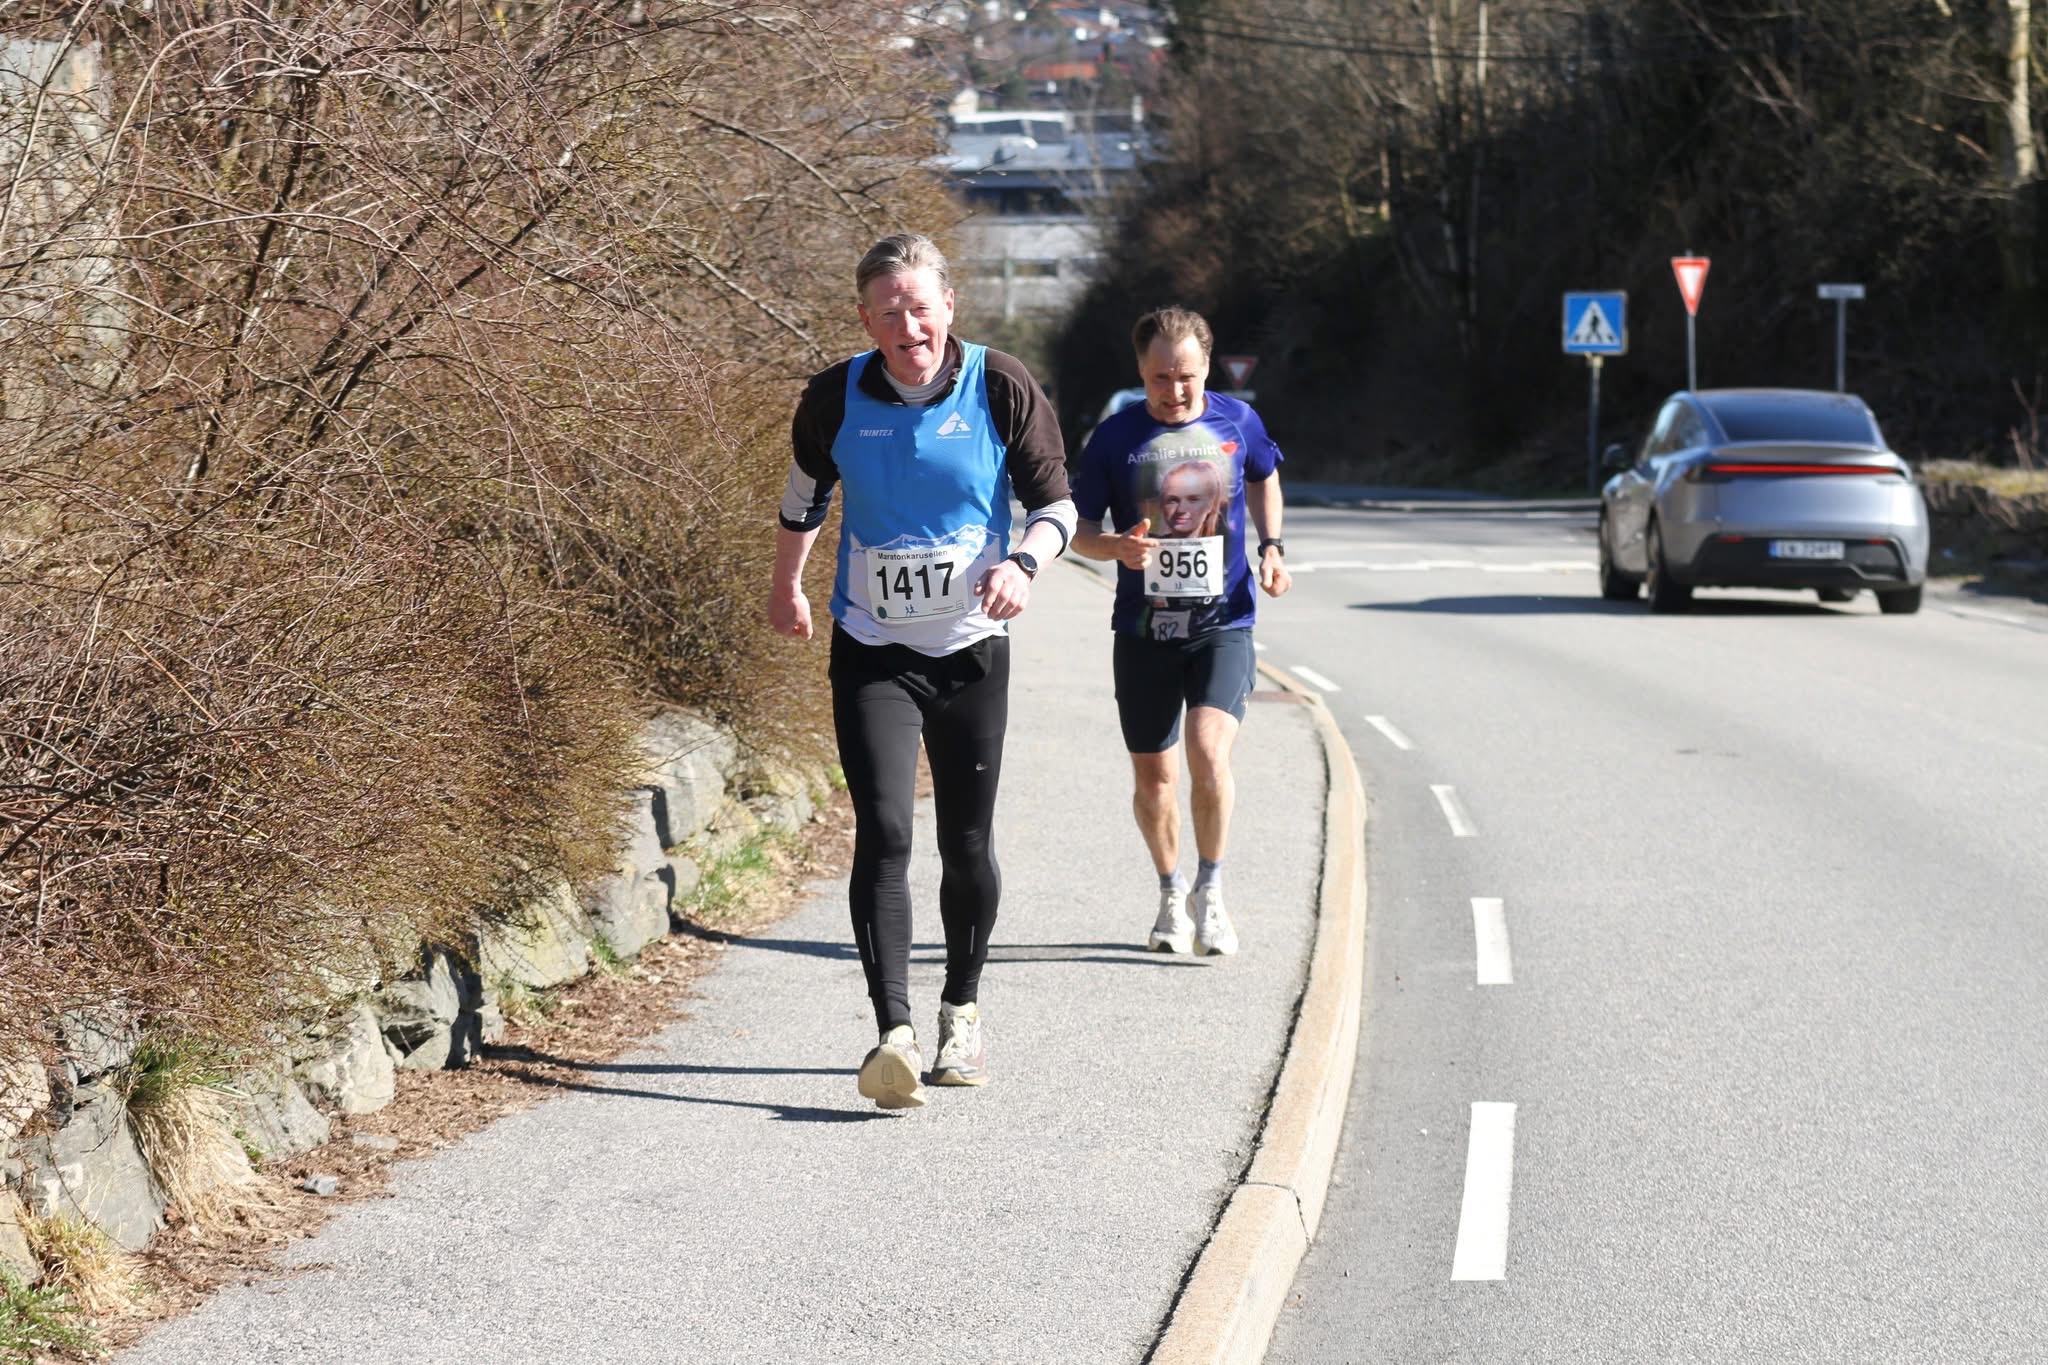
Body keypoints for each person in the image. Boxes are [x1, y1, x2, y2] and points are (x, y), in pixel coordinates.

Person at [768, 232, 1075, 1110]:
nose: (909, 323)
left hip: (972, 648)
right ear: (867, 319)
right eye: (889, 309)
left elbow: (1057, 502)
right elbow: (803, 497)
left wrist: (1022, 564)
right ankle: (892, 1032)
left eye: (921, 304)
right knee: (886, 830)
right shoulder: (835, 398)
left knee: (966, 840)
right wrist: (787, 585)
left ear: (949, 306)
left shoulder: (1002, 383)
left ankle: (962, 1009)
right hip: (873, 646)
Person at [1070, 306, 1291, 956]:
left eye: (1186, 376)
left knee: (1209, 751)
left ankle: (1212, 890)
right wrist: (1113, 548)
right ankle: (1171, 890)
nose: (1174, 391)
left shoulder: (1237, 420)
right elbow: (1075, 527)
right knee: (1155, 781)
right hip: (1142, 631)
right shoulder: (1114, 438)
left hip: (1222, 623)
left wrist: (1273, 546)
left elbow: (1265, 474)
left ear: (1206, 367)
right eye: (1160, 377)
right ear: (1141, 372)